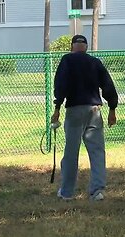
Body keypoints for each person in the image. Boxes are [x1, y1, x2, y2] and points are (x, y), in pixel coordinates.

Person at [51, 34, 118, 201]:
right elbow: (108, 86)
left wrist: (57, 107)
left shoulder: (67, 60)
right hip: (94, 110)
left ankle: (66, 192)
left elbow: (61, 85)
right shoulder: (95, 62)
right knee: (97, 152)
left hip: (74, 110)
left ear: (72, 46)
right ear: (86, 47)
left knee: (71, 153)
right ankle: (97, 192)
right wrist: (112, 109)